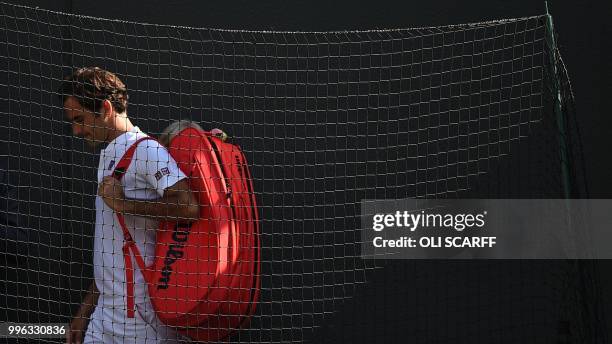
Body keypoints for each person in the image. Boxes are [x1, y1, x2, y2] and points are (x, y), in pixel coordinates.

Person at [61, 67, 200, 344]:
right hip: (104, 318)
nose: (76, 131)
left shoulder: (147, 149)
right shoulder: (109, 155)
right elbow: (111, 247)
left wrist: (125, 204)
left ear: (106, 108)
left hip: (142, 319)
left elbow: (189, 207)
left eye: (80, 119)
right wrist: (84, 313)